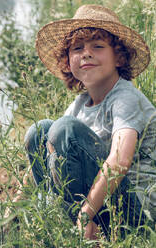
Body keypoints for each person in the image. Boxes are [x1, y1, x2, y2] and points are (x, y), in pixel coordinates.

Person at [24, 4, 156, 240]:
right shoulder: (79, 105)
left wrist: (87, 212)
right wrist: (19, 202)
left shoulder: (125, 97)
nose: (86, 53)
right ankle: (62, 219)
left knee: (64, 129)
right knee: (40, 130)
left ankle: (84, 221)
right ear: (68, 61)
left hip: (137, 208)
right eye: (77, 48)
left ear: (119, 57)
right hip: (104, 202)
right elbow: (49, 150)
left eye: (97, 46)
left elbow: (120, 160)